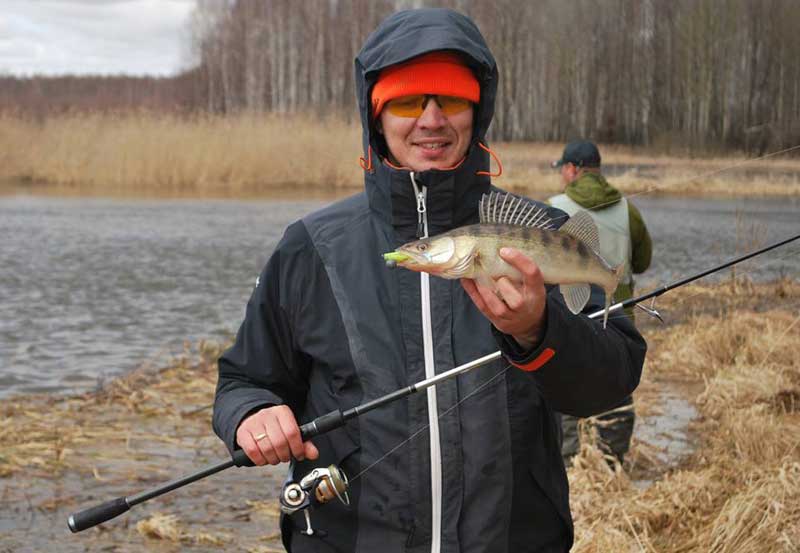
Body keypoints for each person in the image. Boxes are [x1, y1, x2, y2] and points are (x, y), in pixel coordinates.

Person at [213, 9, 646, 553]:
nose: (432, 120)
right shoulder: (310, 248)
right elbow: (242, 381)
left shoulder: (551, 234)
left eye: (452, 100)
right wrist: (252, 414)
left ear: (477, 109)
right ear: (377, 115)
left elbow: (612, 379)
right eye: (408, 101)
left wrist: (539, 332)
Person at [549, 140, 652, 467]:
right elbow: (644, 261)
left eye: (562, 170)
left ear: (571, 170)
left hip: (568, 317)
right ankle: (612, 462)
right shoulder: (627, 208)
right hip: (616, 319)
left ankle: (569, 463)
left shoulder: (552, 206)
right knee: (617, 388)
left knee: (563, 384)